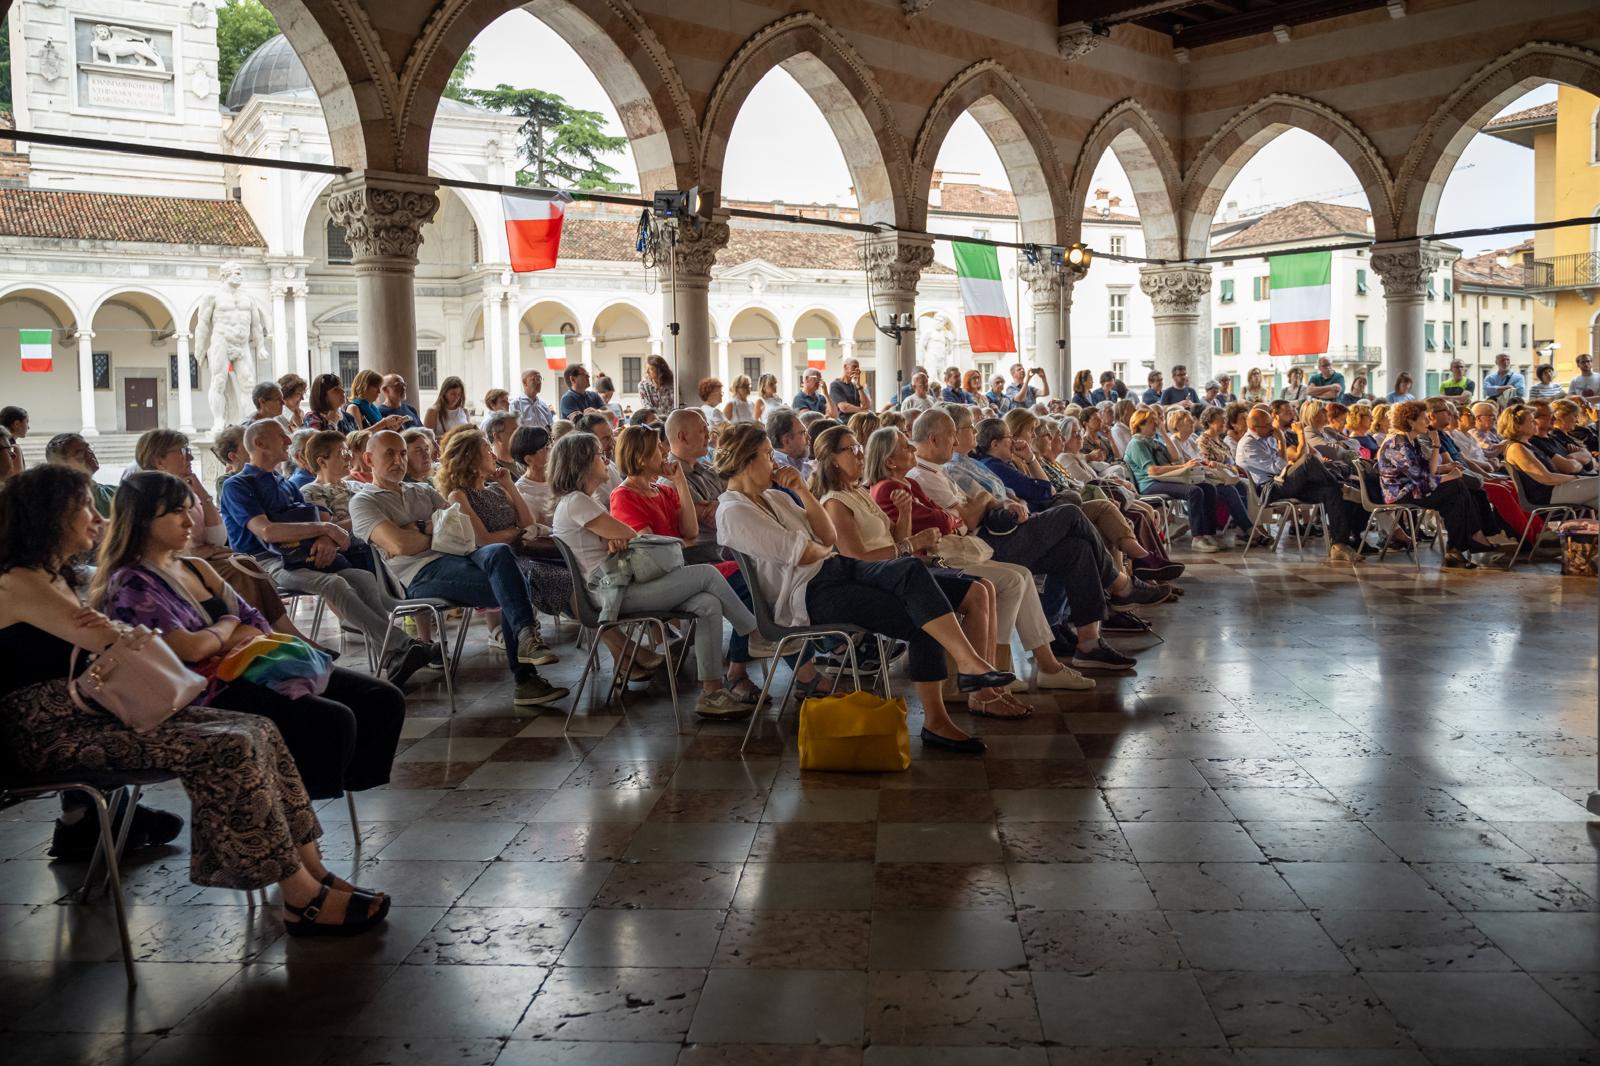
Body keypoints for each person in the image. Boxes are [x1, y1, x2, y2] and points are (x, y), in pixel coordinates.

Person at [0, 464, 390, 935]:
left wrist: (132, 633)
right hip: (51, 732)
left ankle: (315, 873)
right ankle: (300, 898)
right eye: (83, 506)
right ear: (51, 515)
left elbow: (127, 636)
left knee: (258, 730)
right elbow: (117, 638)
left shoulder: (60, 578)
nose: (96, 517)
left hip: (100, 713)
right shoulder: (19, 581)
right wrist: (134, 632)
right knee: (229, 745)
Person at [95, 470, 406, 800]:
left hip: (248, 664)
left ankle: (308, 789)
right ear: (142, 519)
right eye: (175, 512)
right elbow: (189, 650)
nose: (188, 521)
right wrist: (228, 626)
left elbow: (256, 623)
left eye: (189, 509)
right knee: (331, 720)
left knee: (381, 699)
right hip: (202, 689)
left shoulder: (194, 567)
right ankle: (295, 808)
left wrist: (219, 634)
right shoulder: (130, 582)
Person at [714, 421, 1014, 755]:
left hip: (832, 570)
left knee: (914, 575)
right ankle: (942, 712)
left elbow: (825, 537)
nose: (775, 463)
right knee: (921, 610)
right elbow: (802, 552)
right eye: (768, 455)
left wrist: (801, 490)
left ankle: (963, 674)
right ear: (745, 460)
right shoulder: (733, 510)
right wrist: (818, 548)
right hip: (808, 595)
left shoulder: (773, 496)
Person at [909, 407, 1144, 671]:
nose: (955, 441)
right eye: (956, 433)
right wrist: (990, 502)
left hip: (998, 532)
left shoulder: (950, 468)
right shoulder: (934, 472)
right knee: (1071, 513)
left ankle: (1089, 643)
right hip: (985, 543)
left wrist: (994, 501)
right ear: (933, 439)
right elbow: (969, 518)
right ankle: (1119, 584)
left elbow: (996, 499)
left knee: (1076, 549)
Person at [866, 426, 1092, 694]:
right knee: (1011, 578)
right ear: (889, 460)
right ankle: (999, 668)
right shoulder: (887, 489)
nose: (912, 449)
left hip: (947, 551)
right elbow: (944, 520)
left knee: (1022, 574)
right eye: (905, 446)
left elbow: (950, 517)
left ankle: (1041, 664)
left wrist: (958, 515)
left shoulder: (910, 483)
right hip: (932, 561)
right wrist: (963, 512)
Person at [350, 430, 567, 706]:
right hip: (421, 573)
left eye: (403, 453)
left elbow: (462, 531)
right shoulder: (364, 502)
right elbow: (400, 545)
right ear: (369, 459)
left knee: (500, 553)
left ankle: (526, 645)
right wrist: (429, 528)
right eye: (389, 454)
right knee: (514, 582)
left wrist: (419, 530)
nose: (399, 460)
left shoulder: (423, 491)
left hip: (462, 554)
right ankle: (526, 674)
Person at [551, 431, 756, 718]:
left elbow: (630, 537)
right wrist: (619, 537)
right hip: (612, 592)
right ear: (582, 462)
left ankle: (712, 693)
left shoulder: (583, 501)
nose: (605, 457)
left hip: (621, 585)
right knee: (708, 574)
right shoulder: (576, 501)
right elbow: (630, 535)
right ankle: (755, 633)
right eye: (598, 454)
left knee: (708, 604)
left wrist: (620, 537)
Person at [811, 426, 1015, 714]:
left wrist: (905, 514)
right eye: (851, 449)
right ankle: (978, 689)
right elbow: (856, 558)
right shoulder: (834, 502)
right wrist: (912, 543)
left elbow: (895, 539)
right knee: (967, 593)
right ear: (832, 460)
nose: (860, 454)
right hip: (878, 580)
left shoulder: (858, 492)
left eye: (860, 448)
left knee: (981, 589)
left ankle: (985, 686)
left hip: (897, 570)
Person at [218, 420, 433, 686]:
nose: (288, 441)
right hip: (264, 561)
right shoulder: (238, 485)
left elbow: (309, 518)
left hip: (304, 554)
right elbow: (267, 532)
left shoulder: (284, 484)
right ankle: (402, 645)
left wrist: (324, 538)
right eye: (281, 436)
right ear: (260, 443)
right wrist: (326, 529)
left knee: (363, 578)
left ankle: (392, 658)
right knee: (333, 583)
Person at [135, 428, 302, 638]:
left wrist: (203, 496)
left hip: (201, 560)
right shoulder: (145, 495)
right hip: (177, 565)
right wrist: (197, 553)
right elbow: (151, 548)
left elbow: (217, 538)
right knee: (242, 569)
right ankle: (265, 634)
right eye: (183, 450)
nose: (191, 456)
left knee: (245, 564)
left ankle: (270, 634)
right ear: (159, 461)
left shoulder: (186, 489)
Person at [435, 428, 570, 627]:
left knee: (570, 566)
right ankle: (589, 620)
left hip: (523, 552)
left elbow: (527, 523)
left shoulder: (498, 488)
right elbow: (484, 540)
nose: (493, 455)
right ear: (471, 458)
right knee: (557, 576)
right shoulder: (459, 495)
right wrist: (515, 532)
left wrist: (509, 485)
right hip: (498, 561)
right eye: (486, 451)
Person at [1234, 406, 1365, 561]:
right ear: (1254, 428)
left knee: (1331, 491)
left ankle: (1339, 545)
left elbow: (1284, 465)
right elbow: (1280, 468)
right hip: (1269, 489)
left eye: (1271, 423)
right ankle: (1343, 484)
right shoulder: (1248, 445)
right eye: (1267, 425)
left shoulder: (1266, 438)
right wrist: (1282, 439)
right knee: (1309, 461)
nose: (1272, 428)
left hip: (1283, 482)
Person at [1377, 401, 1497, 567]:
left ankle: (1460, 546)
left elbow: (1429, 470)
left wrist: (1437, 448)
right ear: (1411, 422)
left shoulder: (1412, 440)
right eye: (1423, 418)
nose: (1427, 422)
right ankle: (1466, 542)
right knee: (1457, 486)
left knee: (1456, 497)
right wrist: (1450, 476)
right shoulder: (1398, 442)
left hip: (1414, 489)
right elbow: (1421, 479)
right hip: (1401, 493)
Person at [1122, 408, 1251, 552]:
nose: (1155, 425)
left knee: (1208, 488)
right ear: (1140, 424)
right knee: (1194, 491)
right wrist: (1184, 466)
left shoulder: (1153, 441)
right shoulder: (1137, 443)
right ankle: (1197, 538)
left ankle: (1209, 534)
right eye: (1152, 422)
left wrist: (1164, 433)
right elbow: (1152, 470)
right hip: (1150, 483)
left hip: (1164, 479)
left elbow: (1175, 457)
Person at [1501, 403, 1600, 508]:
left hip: (1558, 489)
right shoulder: (1516, 448)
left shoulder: (1527, 445)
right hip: (1547, 495)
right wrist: (1577, 477)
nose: (1535, 422)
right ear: (1517, 426)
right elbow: (1547, 478)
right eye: (1531, 420)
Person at [45, 433, 115, 517]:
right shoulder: (64, 504)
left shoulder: (114, 492)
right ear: (61, 465)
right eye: (80, 453)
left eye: (88, 448)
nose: (89, 453)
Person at [511, 426, 556, 530]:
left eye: (549, 445)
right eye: (543, 449)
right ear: (528, 460)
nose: (550, 450)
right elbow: (536, 527)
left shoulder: (557, 477)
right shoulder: (521, 490)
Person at [767, 409, 813, 479]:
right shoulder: (779, 471)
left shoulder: (800, 458)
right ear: (787, 441)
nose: (809, 438)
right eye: (803, 433)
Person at [483, 410, 524, 479]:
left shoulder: (523, 464)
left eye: (520, 431)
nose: (521, 436)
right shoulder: (492, 472)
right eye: (515, 432)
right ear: (497, 437)